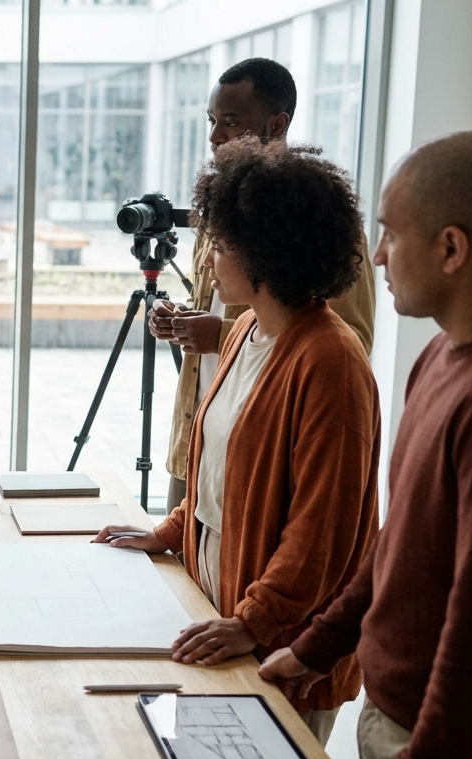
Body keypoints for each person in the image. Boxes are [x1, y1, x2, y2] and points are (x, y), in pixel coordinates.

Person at [94, 138, 380, 745]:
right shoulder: (247, 327)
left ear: (263, 254)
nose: (210, 260)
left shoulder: (330, 360)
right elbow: (220, 467)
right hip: (221, 606)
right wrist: (171, 530)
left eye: (221, 246)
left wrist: (255, 621)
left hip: (281, 642)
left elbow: (322, 528)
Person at [259, 131, 472, 759]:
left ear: (451, 248)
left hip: (437, 738)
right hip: (389, 707)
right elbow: (401, 541)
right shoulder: (439, 355)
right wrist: (318, 646)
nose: (379, 257)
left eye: (390, 232)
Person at [149, 58, 375, 512]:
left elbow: (351, 341)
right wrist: (181, 322)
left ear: (278, 124)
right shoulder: (223, 203)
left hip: (261, 454)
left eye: (230, 122)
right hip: (197, 438)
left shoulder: (317, 217)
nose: (214, 136)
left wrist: (221, 337)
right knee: (185, 552)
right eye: (211, 121)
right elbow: (219, 302)